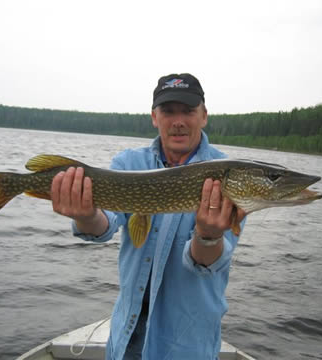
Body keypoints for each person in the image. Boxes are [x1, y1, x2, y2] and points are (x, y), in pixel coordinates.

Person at [51, 73, 246, 360]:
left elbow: (206, 265)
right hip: (126, 339)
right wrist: (86, 215)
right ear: (154, 117)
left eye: (188, 111)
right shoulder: (128, 164)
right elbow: (102, 227)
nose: (178, 120)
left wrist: (208, 236)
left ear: (204, 115)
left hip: (186, 347)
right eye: (168, 111)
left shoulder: (225, 176)